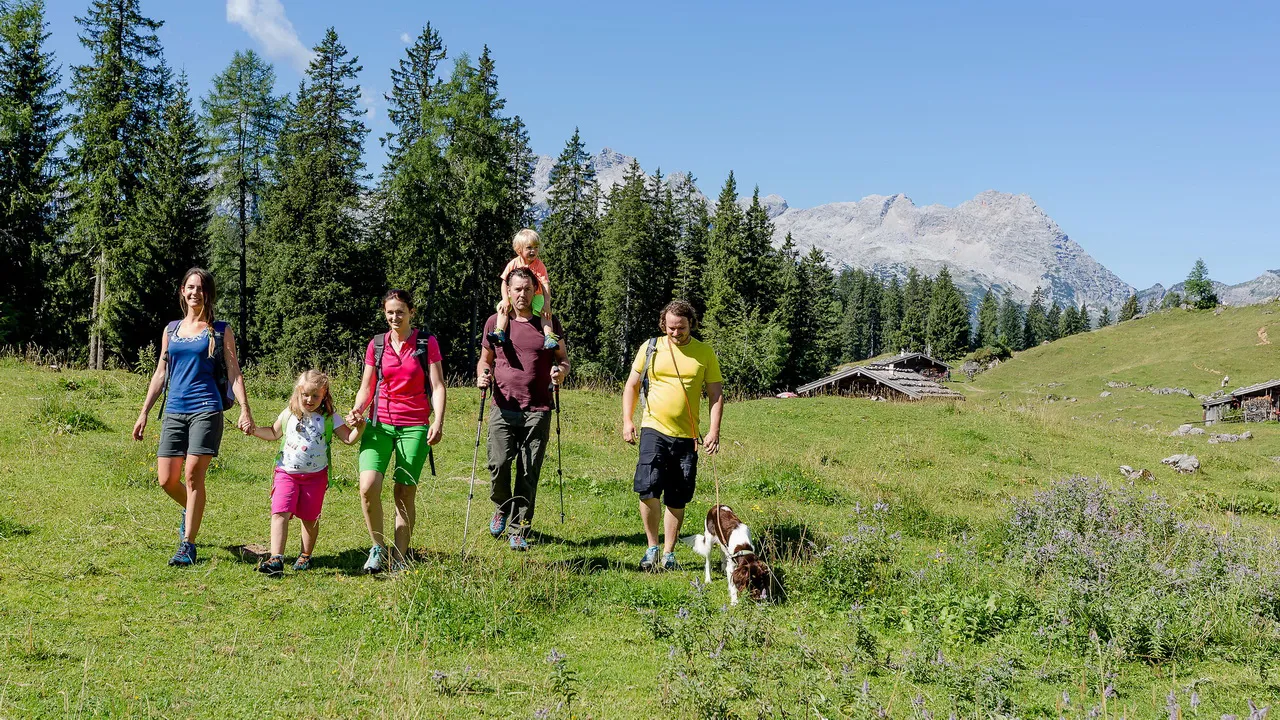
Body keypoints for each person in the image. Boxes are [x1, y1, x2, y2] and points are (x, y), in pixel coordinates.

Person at [133, 268, 254, 566]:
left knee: (192, 476)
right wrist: (144, 412)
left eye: (200, 288)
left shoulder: (219, 329)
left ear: (208, 293)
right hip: (174, 410)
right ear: (182, 291)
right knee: (166, 479)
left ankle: (188, 545)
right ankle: (192, 512)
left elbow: (234, 371)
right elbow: (161, 373)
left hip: (206, 408)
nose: (194, 293)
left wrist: (244, 408)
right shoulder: (171, 330)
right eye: (189, 287)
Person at [348, 289, 446, 573]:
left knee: (403, 492)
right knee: (367, 487)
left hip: (414, 425)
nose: (394, 317)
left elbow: (437, 386)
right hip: (378, 425)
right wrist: (358, 409)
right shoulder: (377, 344)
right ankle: (377, 547)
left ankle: (401, 557)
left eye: (400, 312)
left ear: (411, 313)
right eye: (390, 312)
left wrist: (438, 420)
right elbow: (367, 387)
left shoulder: (427, 343)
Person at [621, 300, 723, 571]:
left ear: (692, 324)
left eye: (682, 328)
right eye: (671, 328)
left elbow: (715, 394)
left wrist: (713, 431)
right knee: (647, 488)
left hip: (687, 435)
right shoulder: (651, 347)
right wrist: (628, 420)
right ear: (663, 325)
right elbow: (632, 385)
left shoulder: (704, 353)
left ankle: (668, 553)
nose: (676, 333)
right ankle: (651, 547)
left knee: (677, 495)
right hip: (653, 427)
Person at [477, 267, 571, 551]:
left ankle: (519, 528)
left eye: (527, 289)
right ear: (508, 291)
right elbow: (485, 360)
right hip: (503, 405)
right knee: (499, 464)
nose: (522, 294)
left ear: (535, 292)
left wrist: (560, 372)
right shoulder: (496, 322)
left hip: (539, 407)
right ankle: (502, 508)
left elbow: (563, 359)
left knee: (529, 471)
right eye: (517, 289)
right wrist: (483, 374)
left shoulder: (548, 322)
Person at [246, 370, 362, 575]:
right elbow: (273, 433)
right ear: (297, 392)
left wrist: (360, 427)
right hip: (286, 473)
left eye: (316, 396)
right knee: (280, 511)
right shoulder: (289, 413)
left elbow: (349, 439)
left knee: (310, 518)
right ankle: (276, 559)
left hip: (315, 477)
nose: (310, 400)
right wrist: (253, 429)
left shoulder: (330, 418)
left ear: (324, 395)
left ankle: (305, 555)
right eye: (305, 395)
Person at [486, 228, 558, 350]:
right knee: (503, 309)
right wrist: (505, 299)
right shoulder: (513, 263)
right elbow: (504, 281)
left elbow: (545, 285)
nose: (533, 251)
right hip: (516, 294)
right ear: (519, 250)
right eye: (529, 248)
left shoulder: (539, 265)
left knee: (545, 313)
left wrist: (546, 304)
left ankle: (549, 336)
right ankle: (500, 332)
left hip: (537, 294)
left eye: (536, 247)